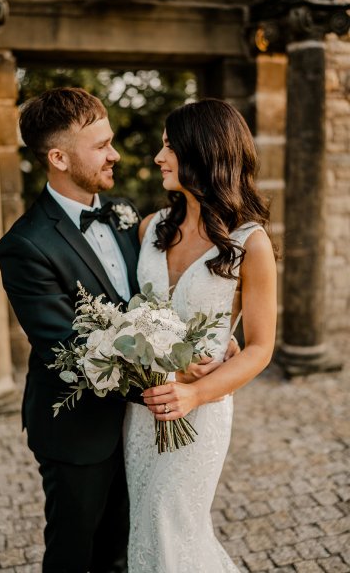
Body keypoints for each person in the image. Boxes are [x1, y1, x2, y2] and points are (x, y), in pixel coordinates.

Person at [0, 87, 238, 573]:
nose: (116, 153)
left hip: (141, 431)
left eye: (111, 140)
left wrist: (206, 336)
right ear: (59, 157)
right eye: (101, 146)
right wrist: (177, 377)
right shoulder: (24, 245)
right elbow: (70, 348)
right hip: (80, 431)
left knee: (129, 548)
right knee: (73, 552)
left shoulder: (128, 213)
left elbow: (156, 295)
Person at [123, 98, 277, 572]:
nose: (158, 157)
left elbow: (260, 348)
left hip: (201, 413)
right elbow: (132, 316)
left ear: (202, 152)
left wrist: (196, 395)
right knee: (145, 528)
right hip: (144, 412)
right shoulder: (149, 229)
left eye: (169, 146)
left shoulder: (250, 244)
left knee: (172, 525)